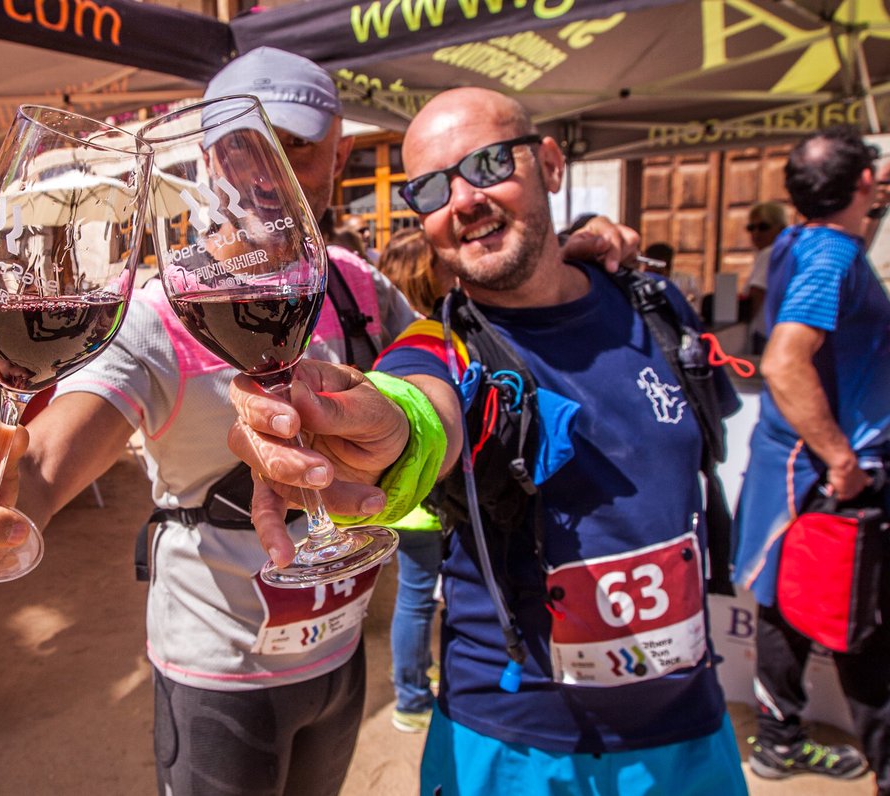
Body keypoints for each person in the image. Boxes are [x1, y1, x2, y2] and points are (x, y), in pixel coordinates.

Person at [0, 51, 637, 796]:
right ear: (207, 160)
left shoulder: (357, 285)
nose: (270, 175)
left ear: (337, 157)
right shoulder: (160, 313)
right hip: (220, 669)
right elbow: (53, 458)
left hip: (339, 648)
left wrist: (568, 253)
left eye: (299, 148)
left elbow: (451, 345)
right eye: (243, 147)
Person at [226, 87, 747, 794]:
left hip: (690, 734)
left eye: (489, 162)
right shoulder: (435, 347)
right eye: (432, 188)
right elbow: (418, 410)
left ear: (552, 163)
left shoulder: (651, 302)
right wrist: (381, 432)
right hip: (512, 749)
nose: (463, 198)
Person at [732, 127, 887, 790]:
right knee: (857, 618)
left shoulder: (801, 240)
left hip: (804, 467)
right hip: (824, 475)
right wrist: (842, 458)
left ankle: (781, 739)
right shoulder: (829, 254)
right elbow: (784, 360)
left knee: (797, 608)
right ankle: (793, 742)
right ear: (862, 185)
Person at [375, 227, 452, 732]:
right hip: (425, 502)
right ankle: (411, 696)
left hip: (406, 503)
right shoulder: (429, 338)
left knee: (415, 594)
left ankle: (410, 695)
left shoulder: (392, 327)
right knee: (419, 595)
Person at [741, 202, 788, 350]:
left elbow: (757, 293)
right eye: (751, 228)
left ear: (780, 228)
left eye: (763, 227)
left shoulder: (769, 253)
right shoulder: (785, 252)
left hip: (764, 332)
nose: (756, 233)